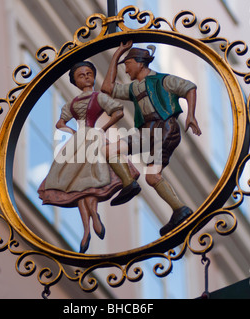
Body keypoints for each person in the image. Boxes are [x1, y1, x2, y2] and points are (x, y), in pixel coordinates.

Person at [101, 41, 202, 236]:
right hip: (146, 132)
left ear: (139, 63)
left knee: (152, 176)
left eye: (127, 64)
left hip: (165, 129)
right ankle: (129, 183)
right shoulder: (133, 88)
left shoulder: (163, 80)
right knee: (108, 150)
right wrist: (118, 54)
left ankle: (181, 209)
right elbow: (108, 88)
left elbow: (189, 87)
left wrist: (191, 115)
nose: (126, 70)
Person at [38, 61, 139, 254]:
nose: (85, 77)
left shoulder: (99, 97)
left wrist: (102, 129)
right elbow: (60, 123)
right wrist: (72, 131)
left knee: (90, 182)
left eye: (88, 73)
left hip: (93, 137)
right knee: (80, 187)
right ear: (75, 81)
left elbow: (118, 112)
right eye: (80, 75)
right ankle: (87, 228)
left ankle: (92, 219)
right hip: (79, 141)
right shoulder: (72, 103)